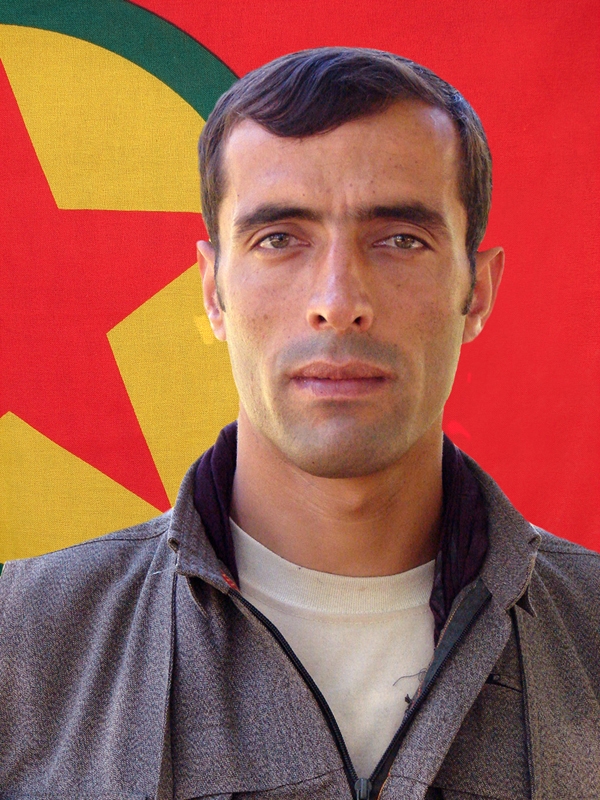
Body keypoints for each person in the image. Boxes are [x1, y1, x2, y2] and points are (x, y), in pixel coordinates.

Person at [0, 47, 598, 800]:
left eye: (401, 239)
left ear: (476, 292)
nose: (338, 302)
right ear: (213, 291)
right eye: (279, 239)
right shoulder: (19, 642)